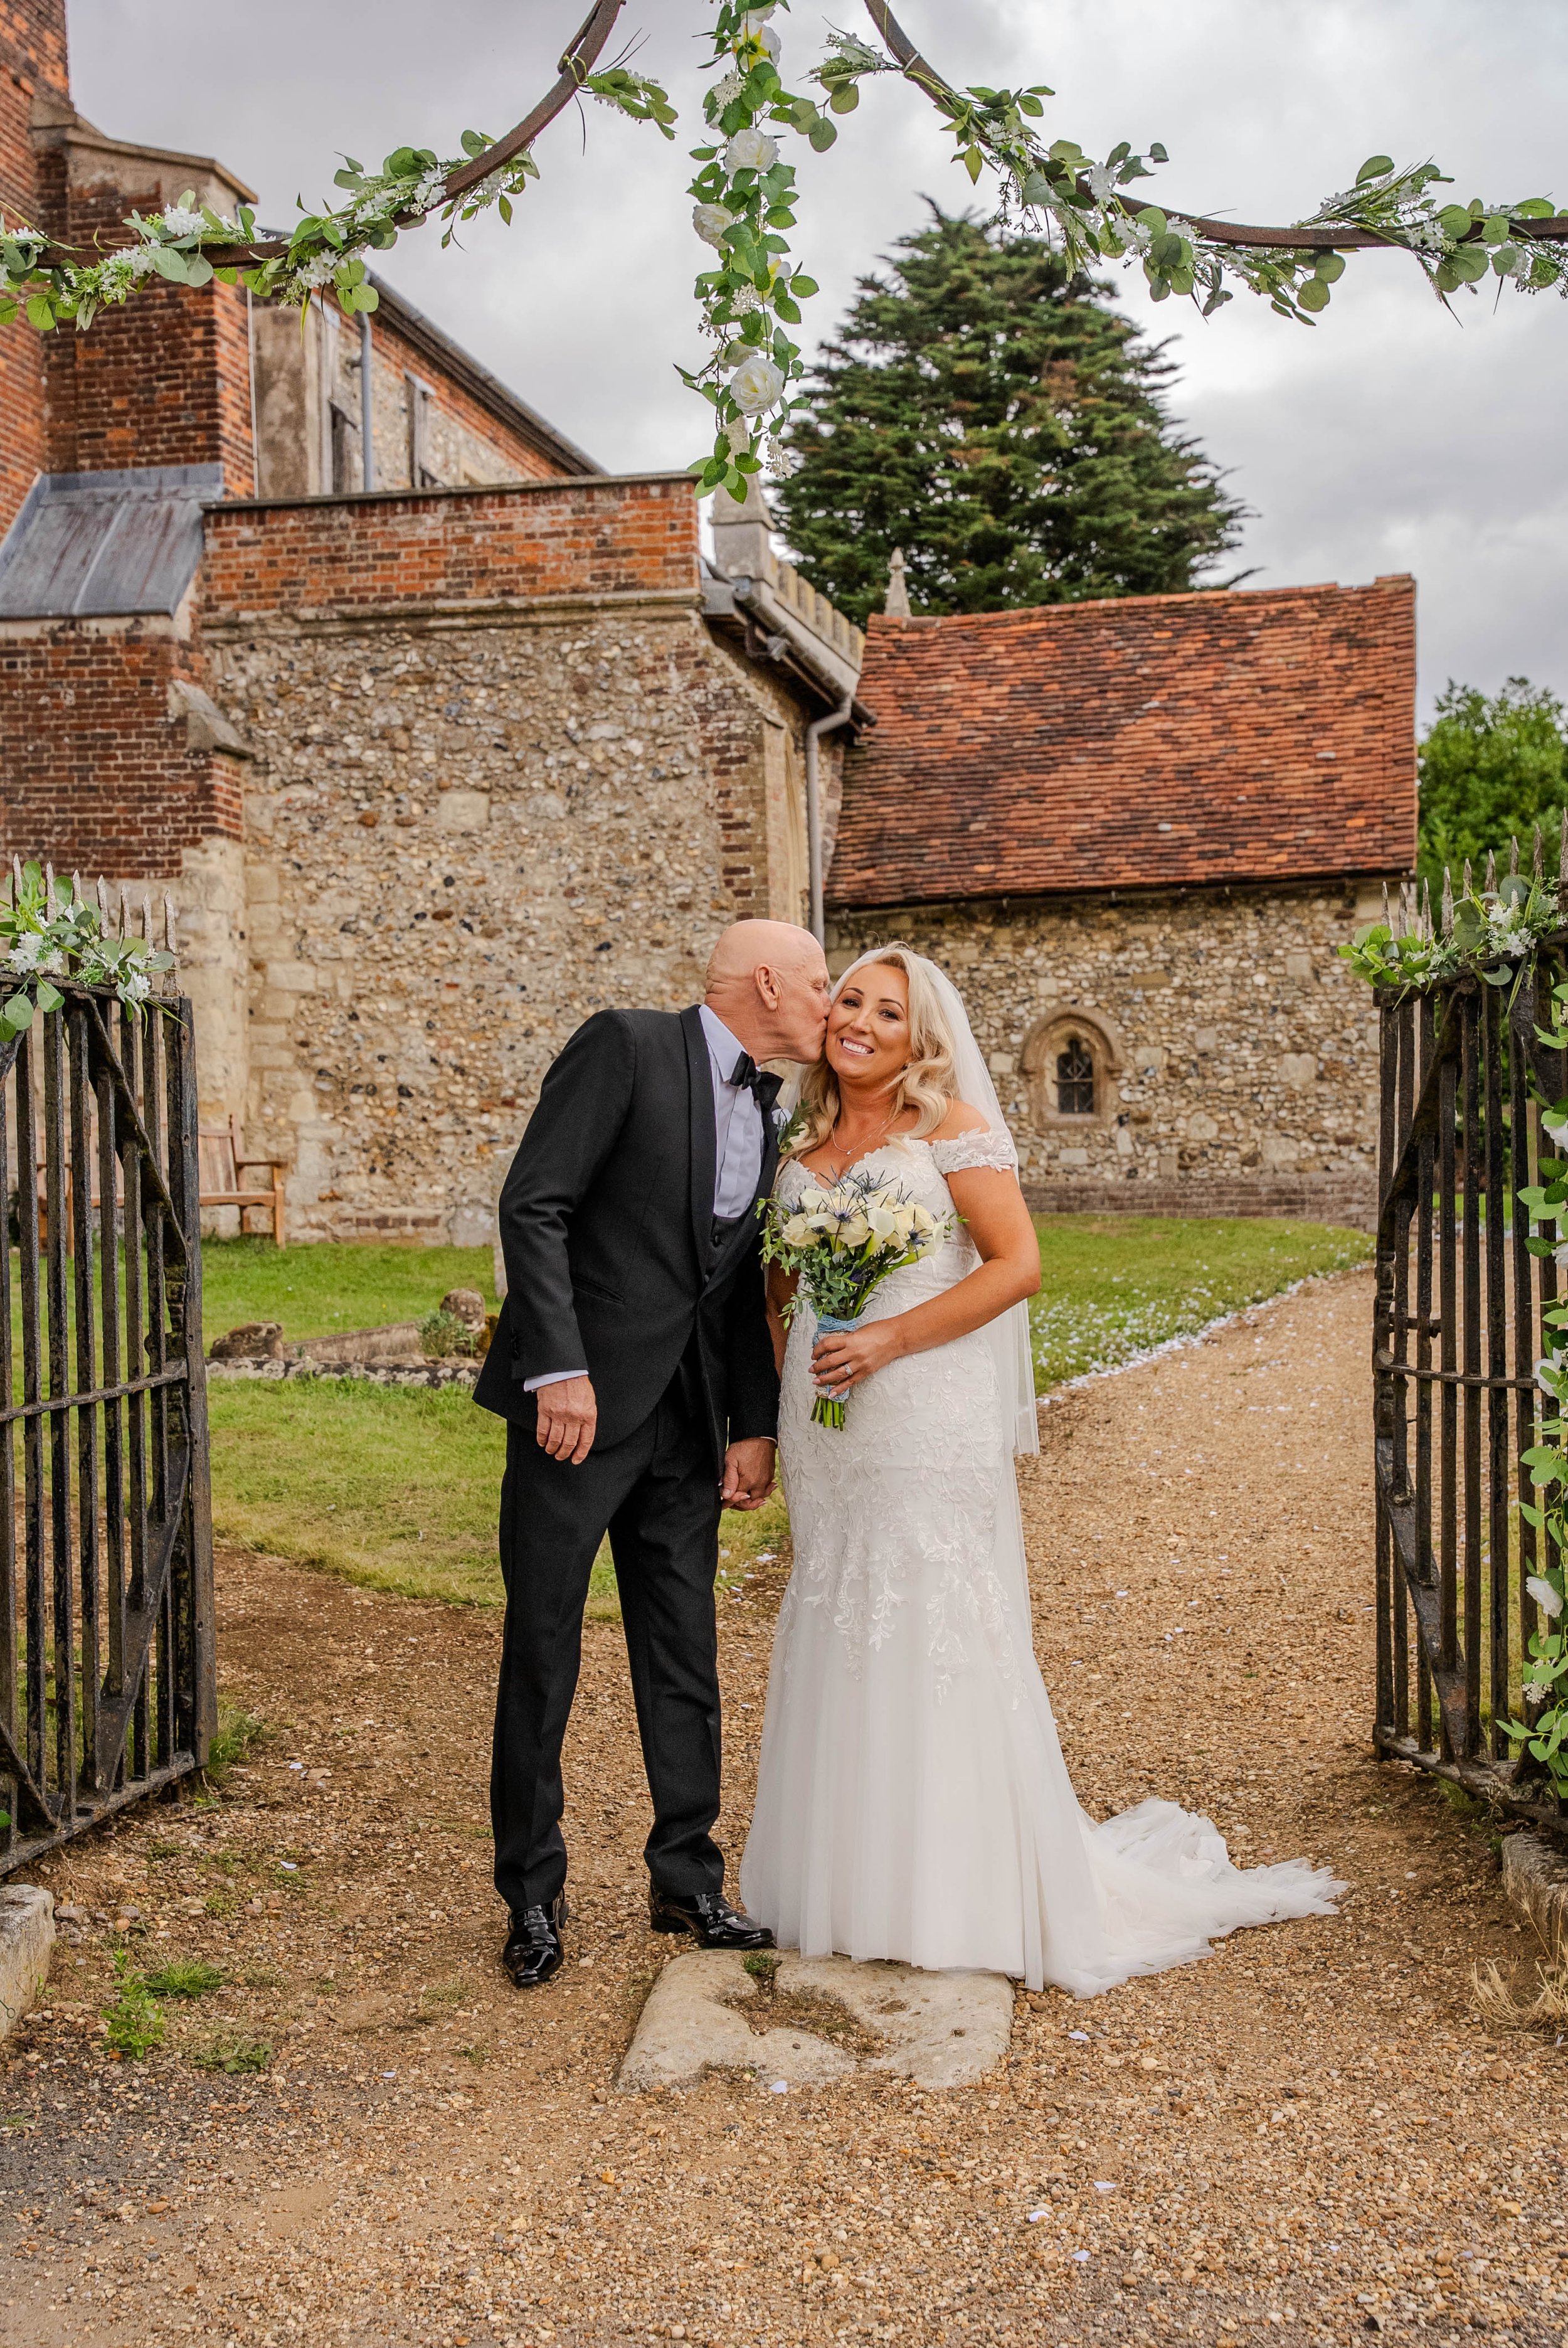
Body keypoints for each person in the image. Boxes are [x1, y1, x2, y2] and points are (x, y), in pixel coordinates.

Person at [740, 946, 1343, 1995]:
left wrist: (889, 1342)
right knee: (837, 1601)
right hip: (826, 1421)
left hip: (920, 1405)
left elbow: (1018, 1265)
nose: (862, 1023)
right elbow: (776, 1286)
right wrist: (796, 1369)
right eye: (850, 1002)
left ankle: (955, 1891)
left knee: (930, 1611)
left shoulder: (956, 1132)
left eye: (889, 1012)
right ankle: (845, 1880)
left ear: (922, 1038)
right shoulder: (804, 1141)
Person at [474, 919, 832, 1989]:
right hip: (573, 1418)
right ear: (767, 982)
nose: (831, 999)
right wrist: (559, 1368)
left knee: (683, 1651)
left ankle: (686, 1876)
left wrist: (754, 1424)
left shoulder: (769, 1110)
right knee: (544, 1649)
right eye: (820, 982)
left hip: (688, 1422)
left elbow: (728, 1283)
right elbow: (533, 1204)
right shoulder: (625, 1046)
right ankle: (531, 1896)